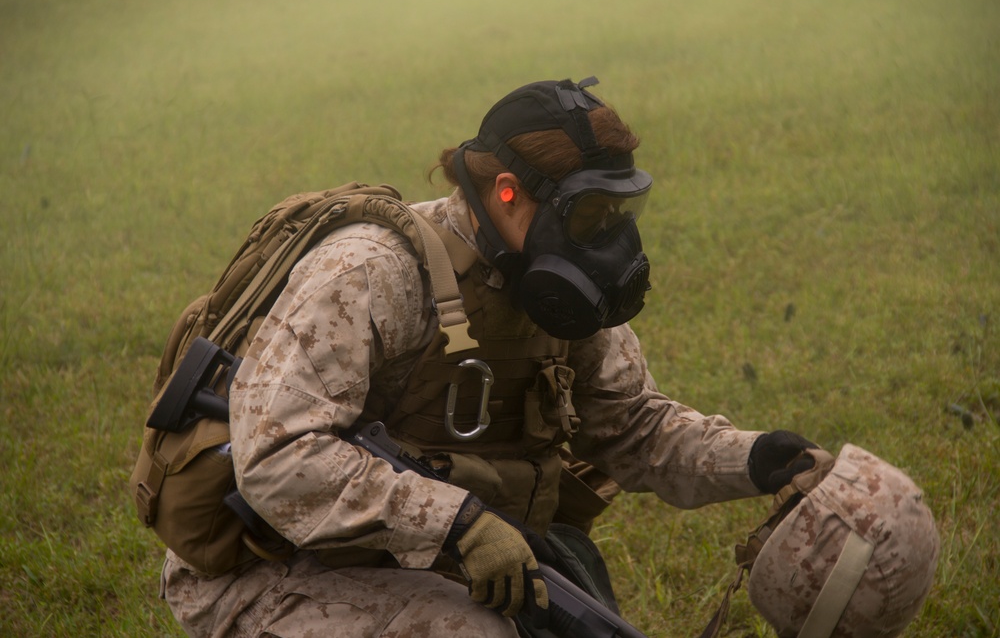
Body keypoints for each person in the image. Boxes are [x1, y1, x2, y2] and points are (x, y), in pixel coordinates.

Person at [157, 77, 878, 637]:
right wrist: (458, 522)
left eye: (621, 215)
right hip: (268, 569)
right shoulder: (373, 270)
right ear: (507, 192)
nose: (610, 241)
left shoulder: (558, 292)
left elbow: (633, 428)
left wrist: (758, 459)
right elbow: (278, 452)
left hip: (431, 555)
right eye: (589, 215)